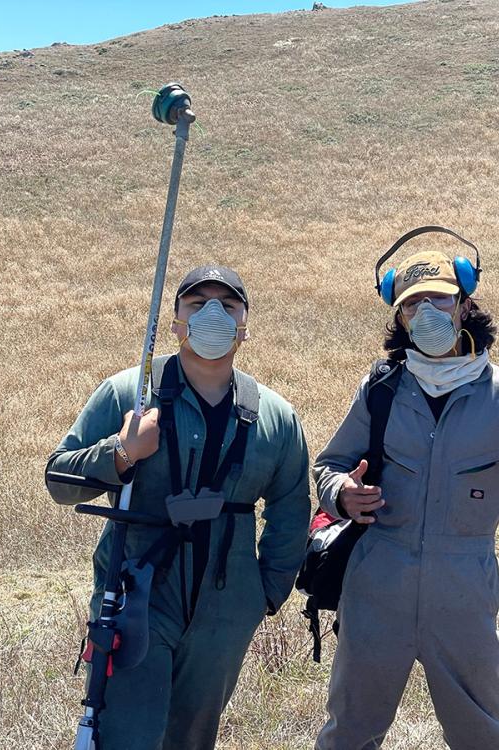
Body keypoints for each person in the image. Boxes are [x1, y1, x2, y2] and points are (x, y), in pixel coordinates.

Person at [313, 246, 499, 749]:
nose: (427, 314)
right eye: (413, 305)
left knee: (482, 734)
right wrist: (342, 494)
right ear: (399, 315)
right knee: (348, 733)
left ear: (464, 303)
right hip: (377, 582)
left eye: (439, 299)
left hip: (463, 586)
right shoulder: (381, 389)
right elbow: (329, 465)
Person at [46, 265, 310, 750]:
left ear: (244, 326)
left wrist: (263, 594)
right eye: (197, 304)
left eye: (227, 306)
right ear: (175, 323)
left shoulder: (277, 415)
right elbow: (59, 480)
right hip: (138, 594)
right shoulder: (129, 393)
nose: (212, 315)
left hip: (226, 605)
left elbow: (291, 509)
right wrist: (121, 453)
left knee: (193, 737)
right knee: (127, 733)